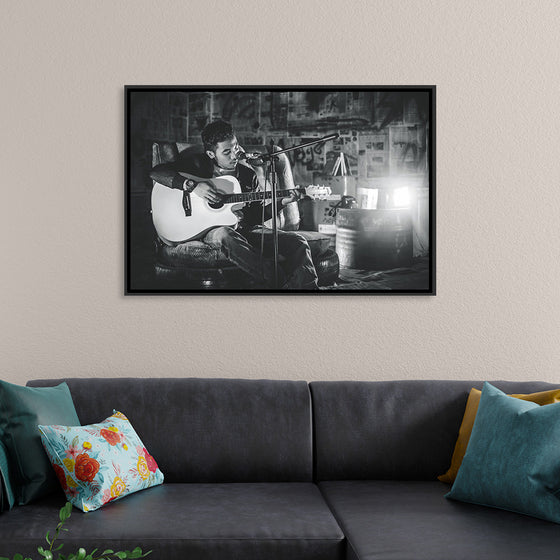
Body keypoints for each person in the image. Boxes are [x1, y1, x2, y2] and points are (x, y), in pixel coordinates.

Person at [150, 120, 319, 289]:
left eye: (236, 147)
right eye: (227, 152)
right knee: (225, 234)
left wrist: (282, 202)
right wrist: (193, 186)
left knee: (298, 242)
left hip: (243, 229)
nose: (234, 155)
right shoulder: (197, 165)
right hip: (210, 230)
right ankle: (279, 284)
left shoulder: (247, 175)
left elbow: (256, 215)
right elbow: (156, 173)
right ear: (211, 154)